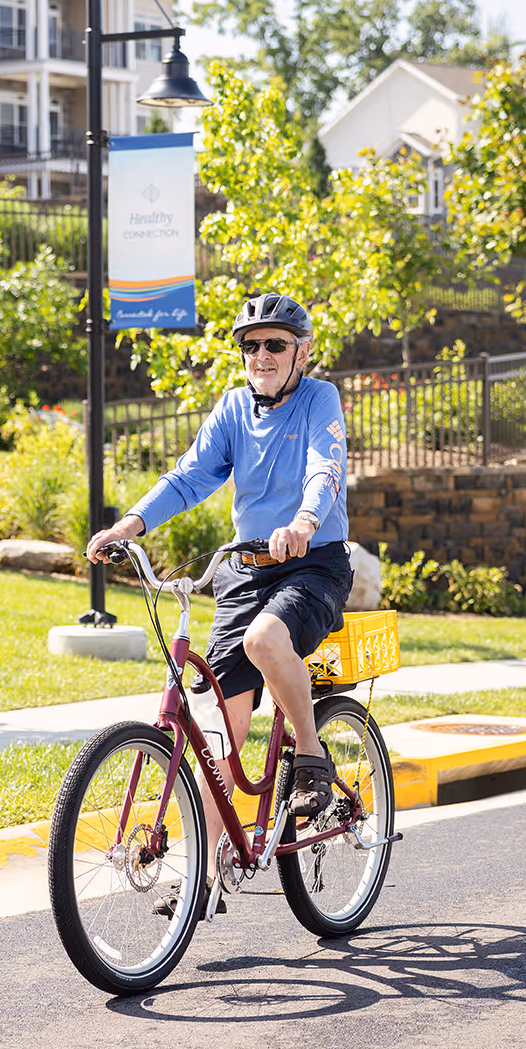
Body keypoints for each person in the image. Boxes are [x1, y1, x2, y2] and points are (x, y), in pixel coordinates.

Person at [86, 293, 352, 912]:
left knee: (265, 641)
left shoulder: (320, 400)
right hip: (245, 572)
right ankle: (205, 870)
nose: (261, 355)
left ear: (301, 352)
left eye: (275, 344)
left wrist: (306, 520)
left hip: (313, 563)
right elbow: (190, 476)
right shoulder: (234, 407)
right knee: (213, 736)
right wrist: (132, 524)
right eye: (251, 345)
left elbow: (325, 465)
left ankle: (311, 755)